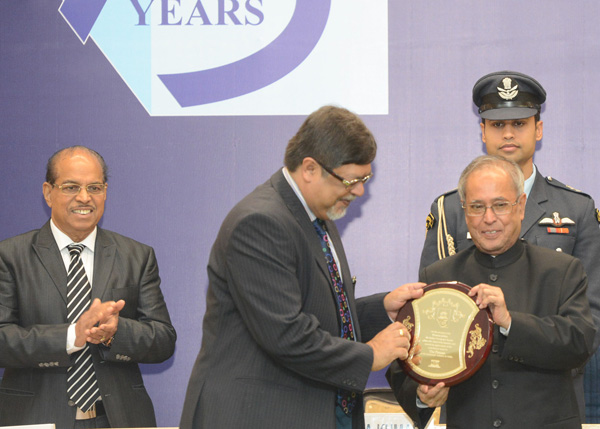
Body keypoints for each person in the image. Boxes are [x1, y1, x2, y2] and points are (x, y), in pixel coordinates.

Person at [179, 105, 425, 429]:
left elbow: (323, 316)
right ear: (309, 168)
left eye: (365, 179)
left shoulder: (318, 213)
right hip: (256, 416)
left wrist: (382, 310)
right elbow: (287, 334)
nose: (360, 191)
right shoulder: (260, 223)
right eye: (351, 180)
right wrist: (370, 356)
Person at [418, 70, 600, 421]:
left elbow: (589, 320)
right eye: (497, 125)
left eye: (519, 123)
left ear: (539, 129)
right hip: (473, 395)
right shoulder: (451, 208)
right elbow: (435, 312)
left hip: (550, 393)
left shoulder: (576, 209)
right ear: (482, 131)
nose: (509, 134)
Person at [387, 155, 596, 429]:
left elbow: (580, 344)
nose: (488, 218)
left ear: (521, 206)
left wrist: (510, 323)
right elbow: (409, 355)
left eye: (500, 205)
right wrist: (421, 395)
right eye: (476, 206)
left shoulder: (561, 270)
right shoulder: (438, 276)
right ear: (464, 210)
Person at [0, 146, 176, 428]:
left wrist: (116, 332)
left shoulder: (137, 256)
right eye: (71, 187)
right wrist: (73, 335)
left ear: (105, 192)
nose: (84, 197)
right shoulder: (10, 256)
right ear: (48, 192)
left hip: (117, 419)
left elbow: (164, 340)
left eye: (94, 187)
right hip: (36, 418)